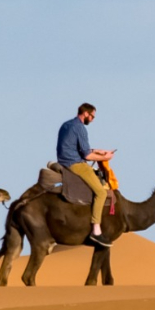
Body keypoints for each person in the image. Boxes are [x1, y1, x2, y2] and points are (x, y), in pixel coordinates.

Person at [54, 103, 115, 244]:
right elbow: (87, 156)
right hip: (75, 164)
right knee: (101, 192)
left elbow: (78, 148)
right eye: (92, 116)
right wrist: (105, 158)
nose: (92, 120)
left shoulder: (66, 125)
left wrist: (98, 151)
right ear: (86, 113)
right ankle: (96, 231)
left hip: (64, 160)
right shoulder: (80, 128)